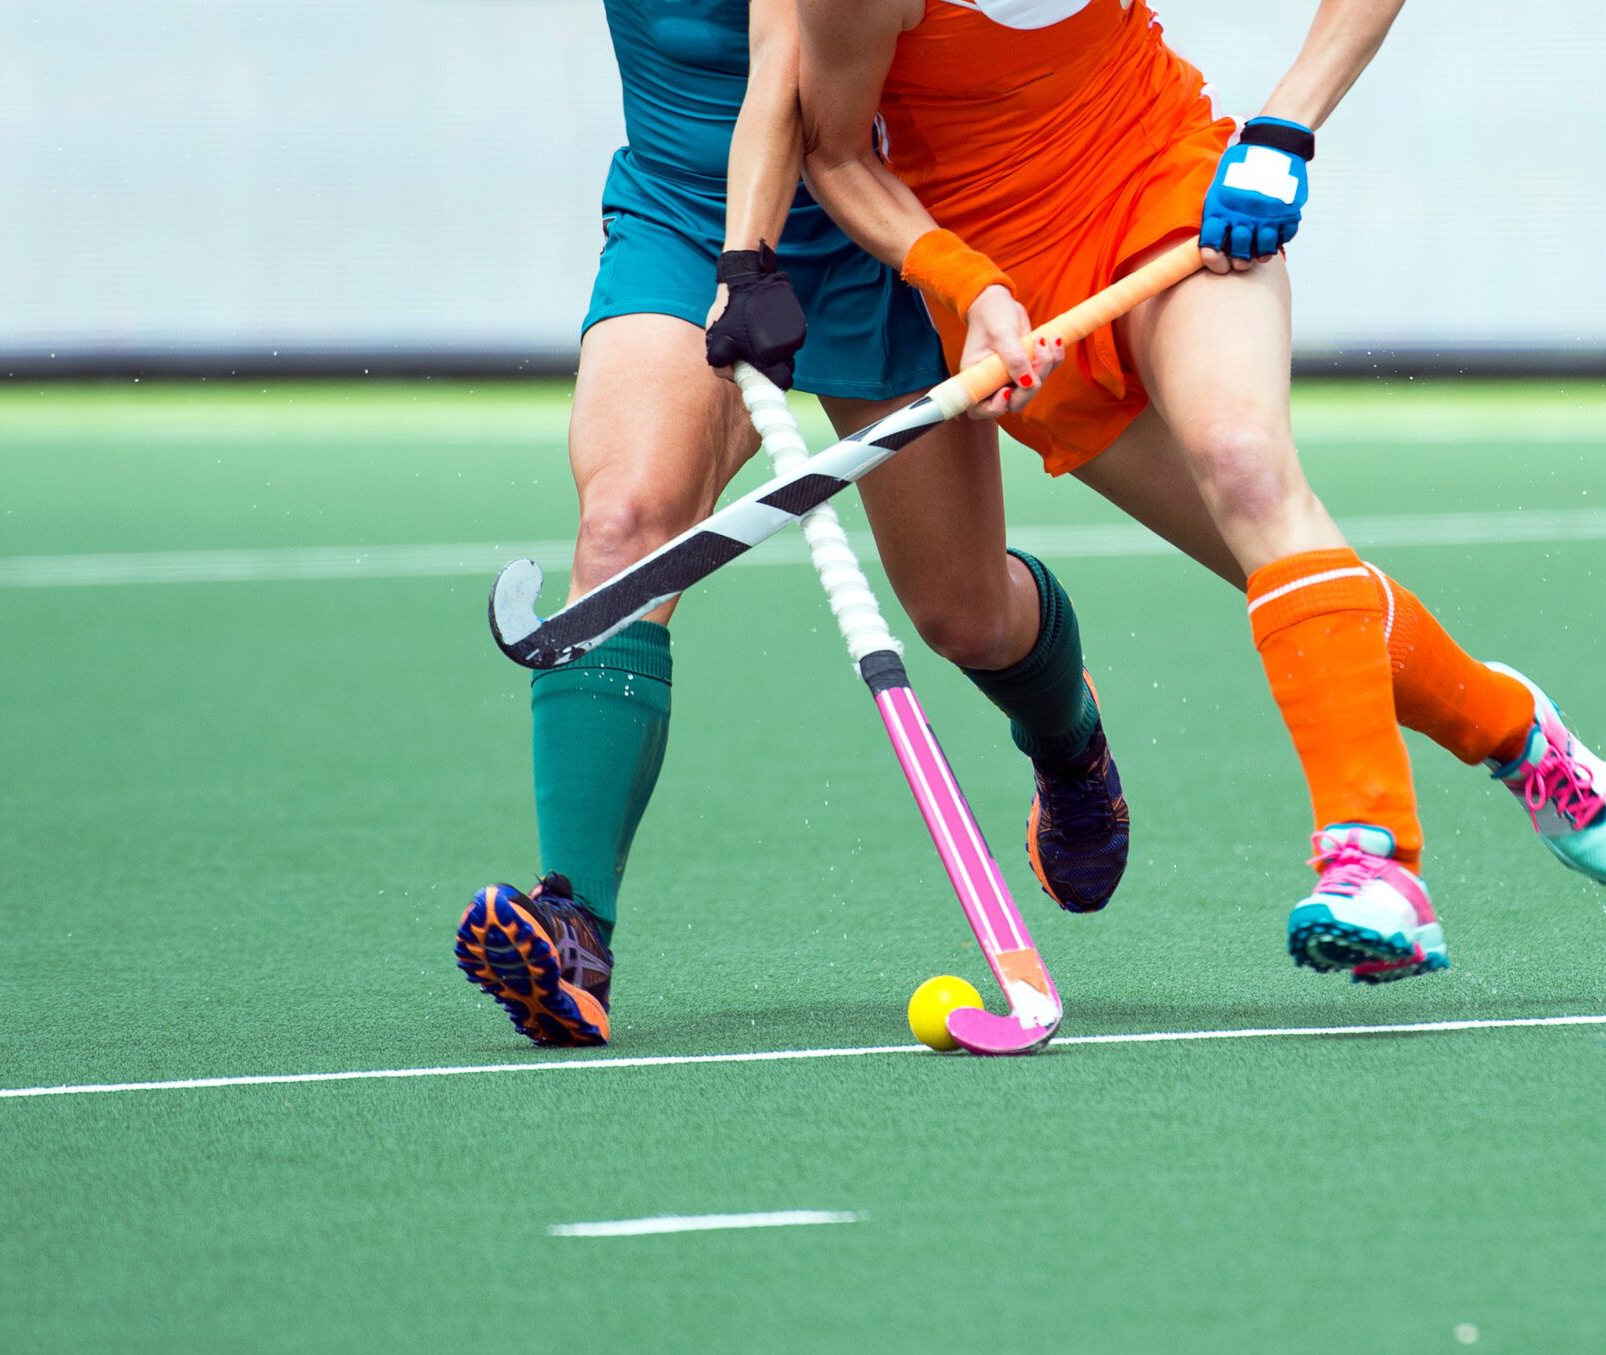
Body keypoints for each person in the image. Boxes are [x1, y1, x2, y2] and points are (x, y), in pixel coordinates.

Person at [721, 0, 1606, 984]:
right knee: (1283, 573)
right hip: (1020, 295)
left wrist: (1280, 130)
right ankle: (1512, 731)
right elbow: (835, 153)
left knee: (1246, 467)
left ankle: (1372, 860)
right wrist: (969, 286)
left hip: (1162, 184)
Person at [453, 0, 1135, 1049]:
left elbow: (784, 61)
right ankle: (572, 930)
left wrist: (753, 263)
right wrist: (729, 257)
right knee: (626, 522)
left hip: (877, 224)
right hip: (686, 214)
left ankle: (1068, 743)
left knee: (964, 616)